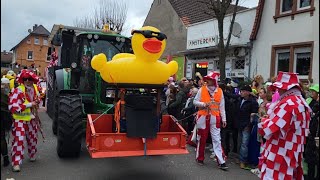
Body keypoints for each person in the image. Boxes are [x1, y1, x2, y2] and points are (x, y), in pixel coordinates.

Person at [258, 72, 312, 180]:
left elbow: (270, 128)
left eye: (279, 87)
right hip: (290, 153)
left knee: (276, 176)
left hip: (280, 153)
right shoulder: (300, 101)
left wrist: (263, 121)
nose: (278, 90)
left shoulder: (289, 103)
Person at [193, 71, 228, 170]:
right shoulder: (202, 89)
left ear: (214, 81)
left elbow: (222, 107)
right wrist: (204, 104)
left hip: (215, 118)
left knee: (217, 140)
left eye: (210, 79)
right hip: (203, 117)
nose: (207, 81)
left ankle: (221, 161)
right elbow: (195, 101)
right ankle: (200, 158)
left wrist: (224, 119)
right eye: (207, 79)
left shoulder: (220, 91)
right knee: (202, 138)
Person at [8, 70, 41, 172]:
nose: (28, 81)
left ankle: (32, 154)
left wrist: (37, 102)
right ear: (22, 80)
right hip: (19, 118)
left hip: (31, 118)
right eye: (25, 79)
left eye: (30, 79)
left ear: (33, 80)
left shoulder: (35, 88)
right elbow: (12, 107)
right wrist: (29, 104)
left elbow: (37, 99)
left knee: (33, 138)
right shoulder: (17, 90)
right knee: (19, 140)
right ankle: (16, 163)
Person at [237, 84, 259, 169]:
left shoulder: (253, 102)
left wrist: (249, 125)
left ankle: (243, 160)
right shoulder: (240, 99)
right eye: (241, 91)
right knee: (240, 142)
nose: (241, 93)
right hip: (239, 124)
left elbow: (253, 115)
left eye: (242, 91)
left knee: (244, 144)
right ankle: (240, 158)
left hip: (246, 125)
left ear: (247, 92)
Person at [305, 84, 319, 180]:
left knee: (315, 160)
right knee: (309, 158)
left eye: (314, 91)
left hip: (316, 137)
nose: (312, 92)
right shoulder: (311, 101)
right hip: (311, 135)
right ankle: (309, 176)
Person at [1, 77, 12, 167]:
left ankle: (5, 159)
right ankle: (5, 159)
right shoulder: (6, 93)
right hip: (4, 116)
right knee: (2, 138)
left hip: (3, 115)